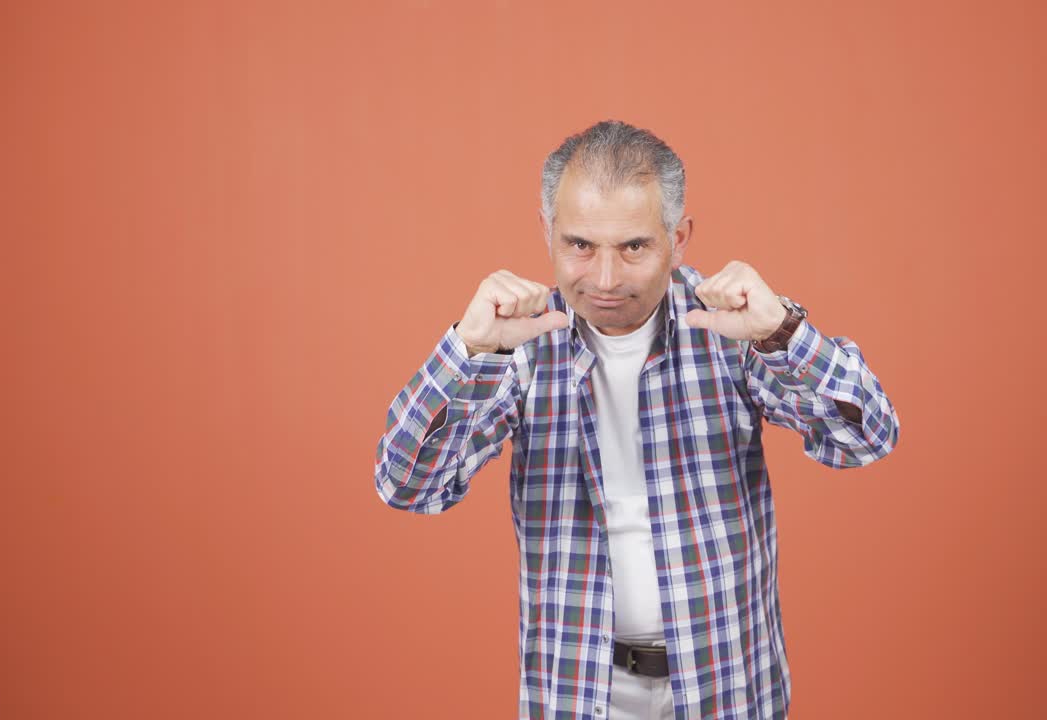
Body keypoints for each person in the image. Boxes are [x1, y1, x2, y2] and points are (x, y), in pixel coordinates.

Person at [373, 119, 900, 719]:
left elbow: (866, 437)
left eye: (633, 247)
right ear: (547, 232)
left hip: (724, 683)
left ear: (678, 237)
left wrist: (783, 334)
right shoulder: (517, 343)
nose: (604, 279)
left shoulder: (730, 325)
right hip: (577, 687)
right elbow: (407, 485)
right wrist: (469, 353)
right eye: (579, 245)